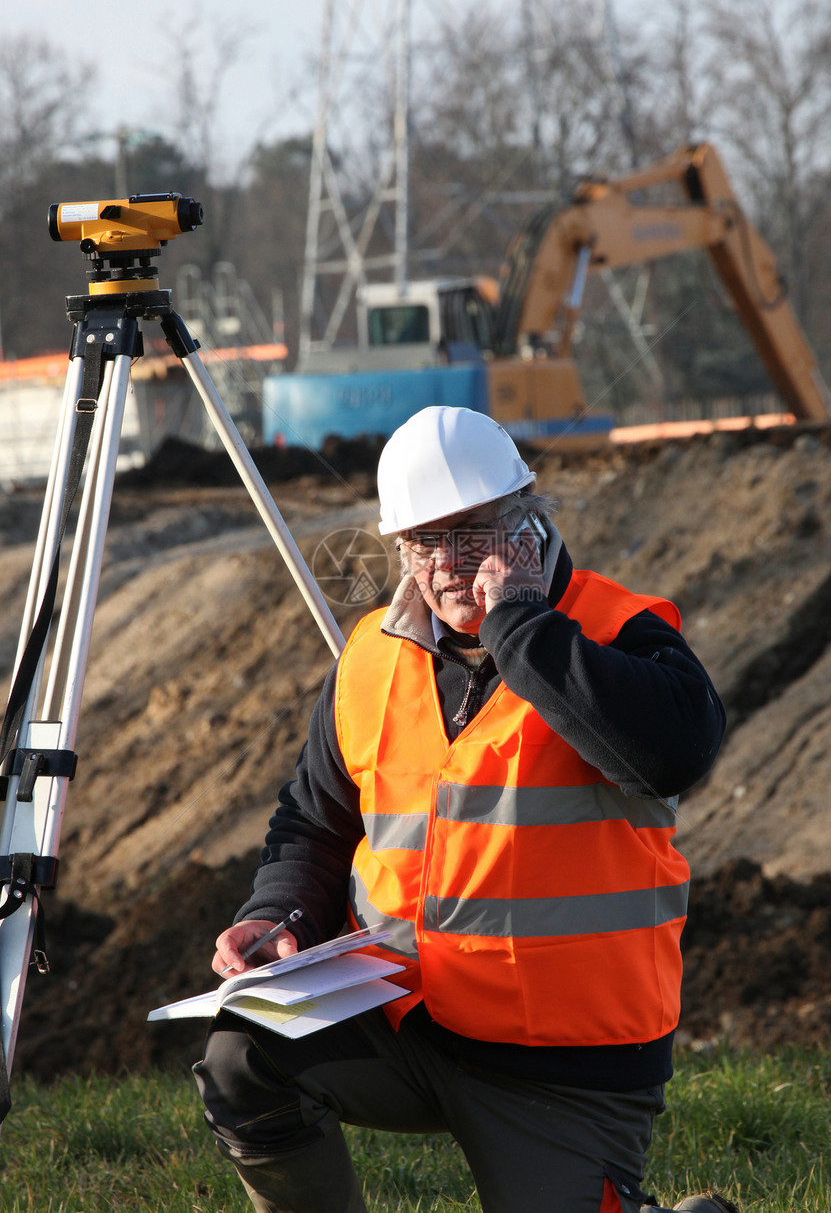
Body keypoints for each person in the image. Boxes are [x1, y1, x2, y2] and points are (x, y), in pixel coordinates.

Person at [194, 405, 734, 1213]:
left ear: (527, 523)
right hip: (403, 1023)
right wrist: (281, 917)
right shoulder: (369, 659)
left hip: (565, 1064)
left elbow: (674, 753)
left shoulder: (622, 631)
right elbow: (314, 823)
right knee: (242, 1058)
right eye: (422, 542)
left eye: (472, 535)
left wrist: (518, 621)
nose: (447, 564)